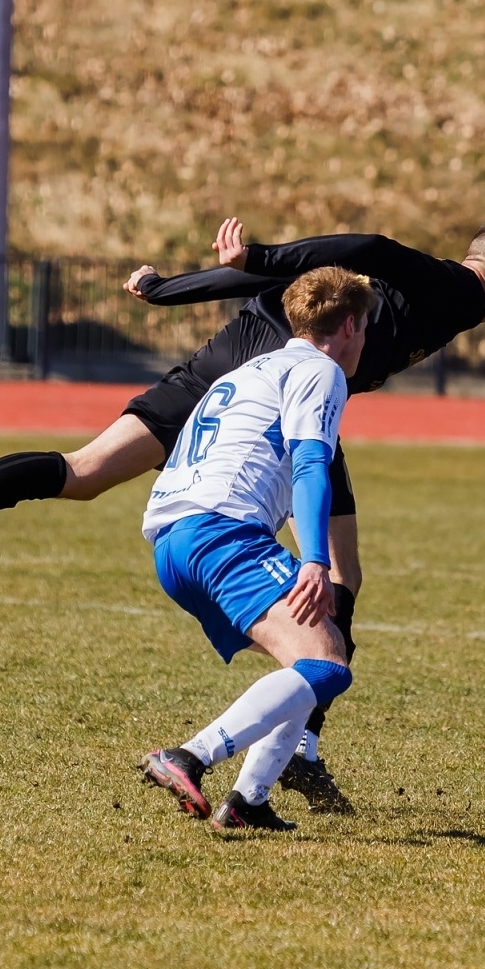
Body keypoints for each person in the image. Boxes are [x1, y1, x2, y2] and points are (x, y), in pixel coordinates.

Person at [0, 213, 485, 812]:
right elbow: (367, 247)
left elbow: (291, 291)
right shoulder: (461, 291)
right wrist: (260, 258)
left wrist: (172, 289)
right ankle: (295, 745)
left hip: (240, 364)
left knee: (85, 472)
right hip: (283, 390)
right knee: (333, 568)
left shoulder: (382, 305)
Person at [138, 265, 368, 831]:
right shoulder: (320, 370)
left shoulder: (250, 370)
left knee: (316, 651)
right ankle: (190, 756)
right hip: (222, 533)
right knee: (325, 665)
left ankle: (248, 802)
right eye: (366, 331)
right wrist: (315, 559)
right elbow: (313, 462)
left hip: (173, 540)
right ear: (349, 326)